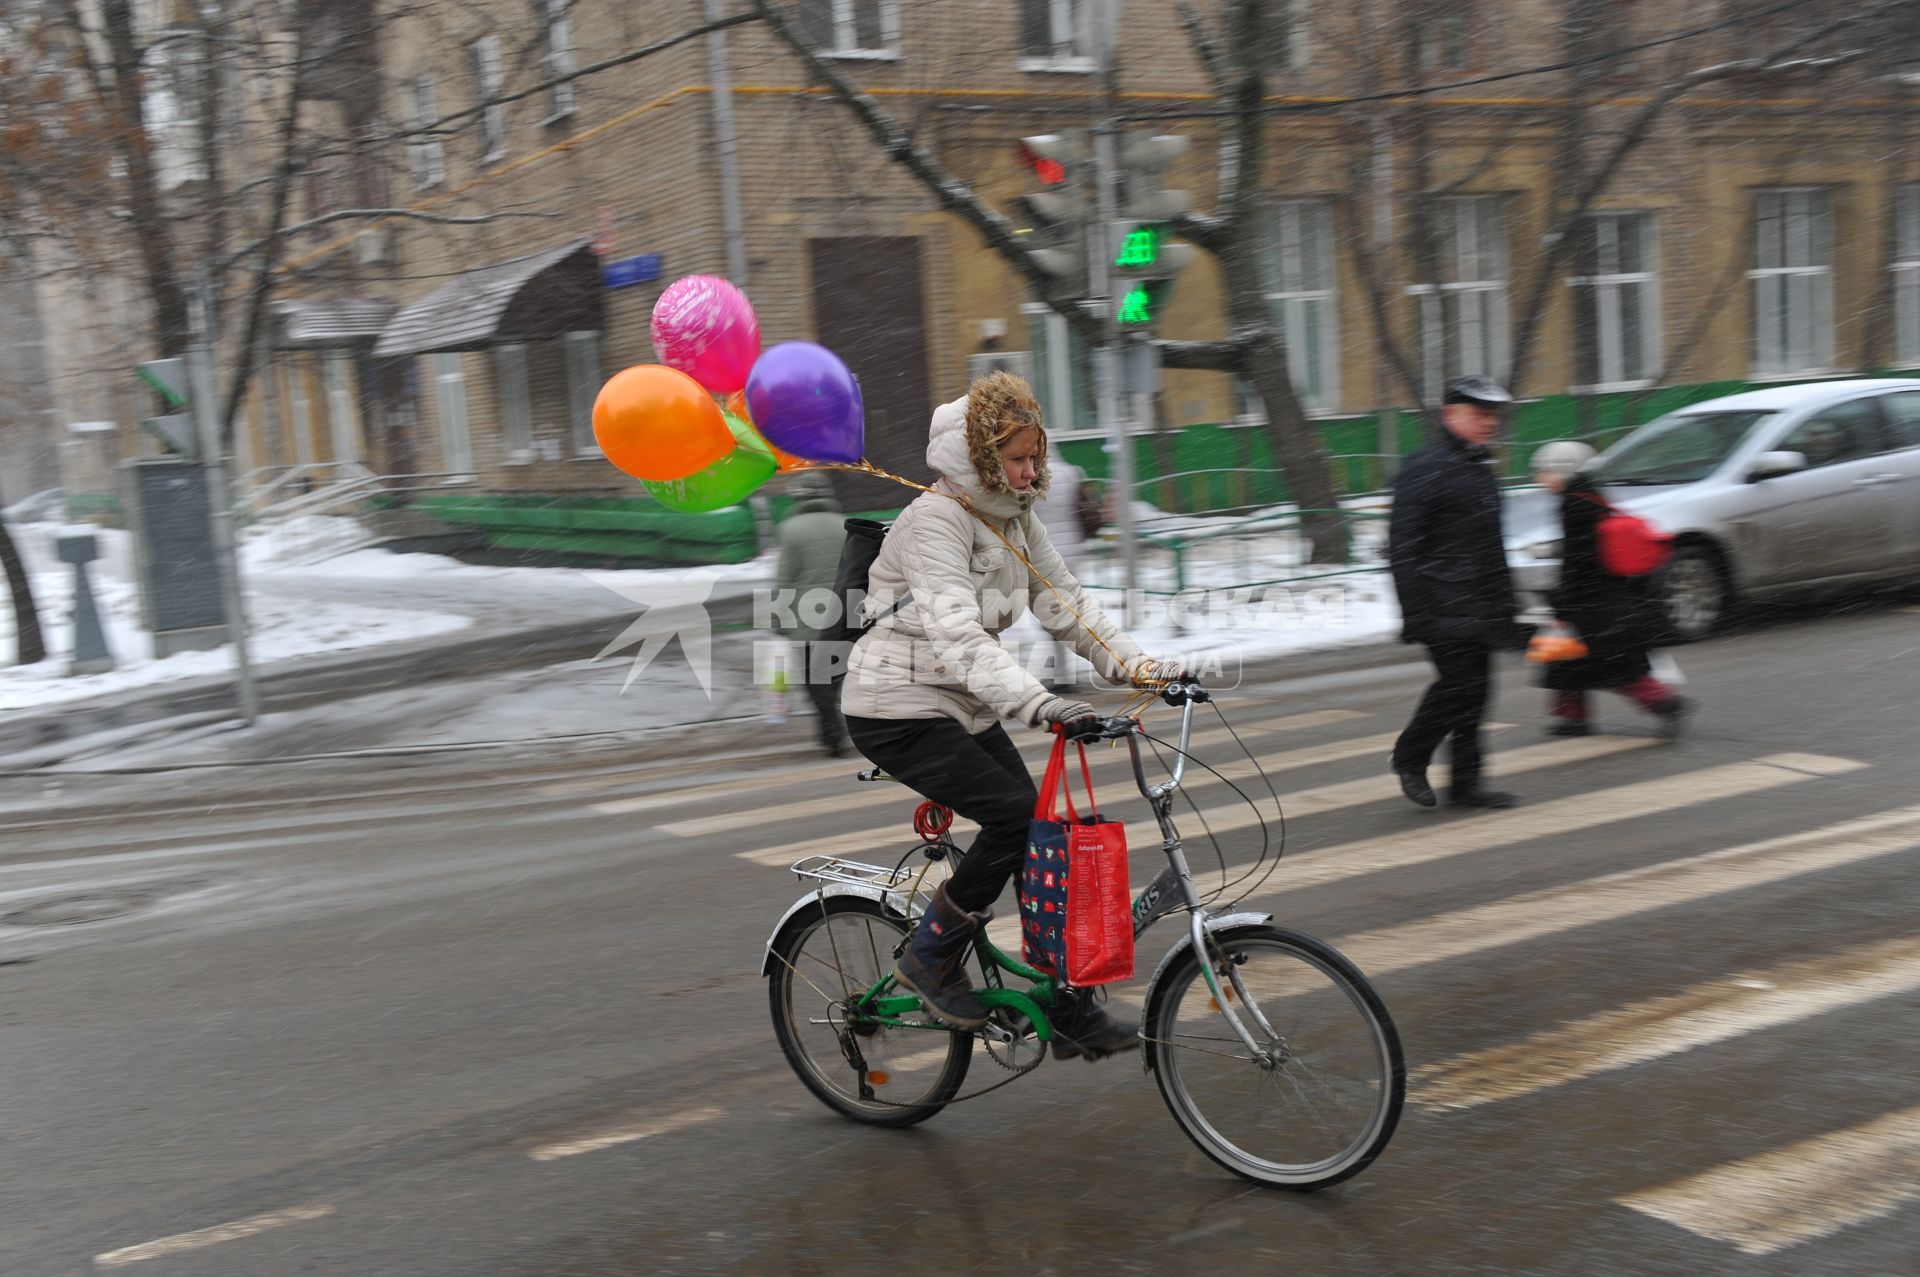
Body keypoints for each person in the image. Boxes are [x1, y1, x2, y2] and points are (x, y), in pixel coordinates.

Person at [840, 370, 1180, 1057]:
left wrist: (1143, 669)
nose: (1031, 472)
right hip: (894, 705)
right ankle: (931, 957)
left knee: (1039, 829)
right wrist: (1038, 703)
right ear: (981, 456)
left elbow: (1069, 606)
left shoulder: (1016, 518)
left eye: (1035, 457)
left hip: (959, 702)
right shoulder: (935, 520)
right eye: (1018, 459)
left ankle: (1063, 1000)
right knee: (1014, 817)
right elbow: (958, 635)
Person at [1387, 375, 1529, 811]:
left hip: (1478, 603)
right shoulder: (1426, 466)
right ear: (1451, 415)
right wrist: (1415, 612)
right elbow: (1403, 545)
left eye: (1494, 415)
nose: (1490, 423)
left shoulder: (1478, 465)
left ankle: (1466, 785)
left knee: (1477, 694)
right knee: (1460, 686)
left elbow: (1490, 547)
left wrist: (1508, 609)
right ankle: (1410, 757)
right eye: (1479, 414)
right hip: (1440, 601)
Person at [1530, 441, 1694, 739]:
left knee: (1611, 667)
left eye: (1545, 472)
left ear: (1564, 471)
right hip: (1606, 597)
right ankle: (1572, 717)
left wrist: (1564, 602)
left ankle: (1666, 702)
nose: (1540, 479)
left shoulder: (1574, 504)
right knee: (1571, 659)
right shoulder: (1591, 496)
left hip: (1594, 603)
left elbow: (1577, 559)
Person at [774, 470, 852, 757]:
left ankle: (830, 730)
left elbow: (785, 579)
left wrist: (777, 618)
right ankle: (839, 726)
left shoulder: (791, 529)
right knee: (835, 675)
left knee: (814, 680)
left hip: (808, 619)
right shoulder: (844, 525)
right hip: (845, 612)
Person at [1032, 456, 1093, 691]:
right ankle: (1063, 672)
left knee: (1051, 618)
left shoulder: (1029, 476)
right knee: (1060, 616)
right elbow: (1082, 511)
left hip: (1044, 554)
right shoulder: (1070, 472)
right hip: (1071, 552)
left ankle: (1062, 674)